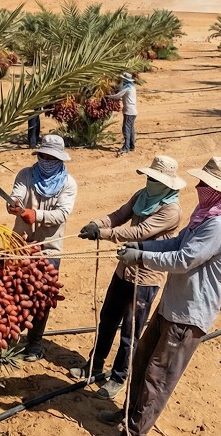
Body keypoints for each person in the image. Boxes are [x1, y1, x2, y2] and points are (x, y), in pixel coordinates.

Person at [94, 155, 221, 436]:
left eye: (206, 183)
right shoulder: (206, 215)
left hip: (188, 314)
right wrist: (144, 247)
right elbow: (175, 244)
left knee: (157, 377)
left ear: (219, 189)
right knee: (142, 360)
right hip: (172, 305)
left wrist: (141, 257)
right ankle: (128, 414)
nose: (200, 186)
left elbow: (183, 259)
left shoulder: (219, 225)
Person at [72, 155, 185, 399]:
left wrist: (102, 234)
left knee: (129, 333)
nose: (150, 181)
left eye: (155, 179)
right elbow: (119, 214)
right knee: (108, 319)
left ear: (168, 183)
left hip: (145, 276)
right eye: (150, 177)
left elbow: (140, 231)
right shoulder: (141, 195)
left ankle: (118, 377)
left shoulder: (171, 210)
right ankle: (95, 365)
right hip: (124, 269)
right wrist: (96, 223)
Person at [9, 133, 78, 361]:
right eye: (43, 156)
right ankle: (10, 338)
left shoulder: (68, 184)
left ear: (60, 160)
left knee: (42, 297)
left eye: (51, 158)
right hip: (20, 244)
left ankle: (35, 343)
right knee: (13, 292)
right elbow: (17, 194)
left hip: (49, 248)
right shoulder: (26, 175)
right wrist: (15, 204)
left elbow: (62, 214)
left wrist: (36, 214)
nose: (46, 161)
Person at [105, 72, 137, 155]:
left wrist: (108, 96)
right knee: (131, 129)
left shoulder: (128, 88)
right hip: (132, 111)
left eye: (123, 79)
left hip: (129, 112)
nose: (122, 80)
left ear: (125, 80)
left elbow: (118, 96)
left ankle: (126, 147)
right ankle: (131, 146)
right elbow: (119, 88)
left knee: (126, 129)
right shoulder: (132, 87)